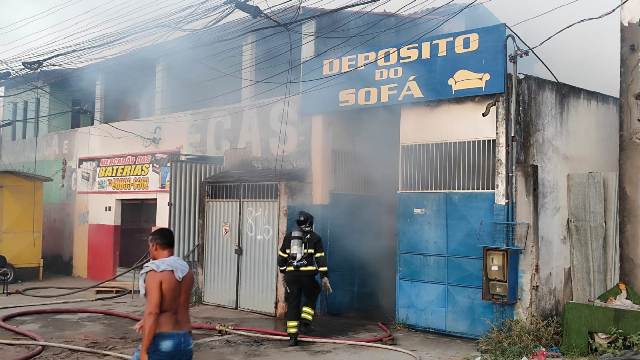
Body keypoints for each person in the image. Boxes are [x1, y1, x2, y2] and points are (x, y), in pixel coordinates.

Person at [132, 228, 194, 360]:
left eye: (149, 246)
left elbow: (152, 312)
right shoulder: (186, 271)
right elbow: (173, 306)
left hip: (164, 341)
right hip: (185, 340)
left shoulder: (155, 272)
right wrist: (146, 321)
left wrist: (144, 350)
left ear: (154, 246)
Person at [278, 211, 332, 346]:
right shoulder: (315, 238)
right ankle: (305, 323)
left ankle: (292, 337)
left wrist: (284, 272)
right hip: (307, 276)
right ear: (310, 223)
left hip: (291, 276)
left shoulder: (289, 237)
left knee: (293, 304)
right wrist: (324, 276)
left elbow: (281, 258)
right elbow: (320, 258)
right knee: (313, 291)